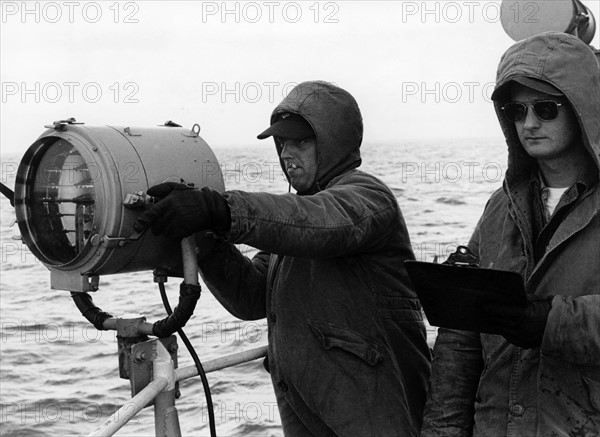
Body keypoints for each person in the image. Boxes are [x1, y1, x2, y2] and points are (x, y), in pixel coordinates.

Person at [135, 81, 431, 436]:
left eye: (301, 142)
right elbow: (250, 296)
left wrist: (219, 210)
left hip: (379, 416)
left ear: (333, 142)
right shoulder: (293, 223)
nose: (287, 154)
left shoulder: (367, 197)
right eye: (282, 143)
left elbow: (322, 223)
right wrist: (204, 237)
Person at [421, 32, 600, 436]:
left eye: (546, 108)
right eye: (516, 111)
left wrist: (554, 322)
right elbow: (460, 349)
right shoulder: (499, 208)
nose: (530, 123)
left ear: (582, 108)